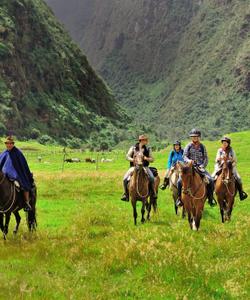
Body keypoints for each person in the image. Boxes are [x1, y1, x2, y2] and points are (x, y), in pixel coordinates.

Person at [176, 129, 217, 207]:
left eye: (196, 136)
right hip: (189, 167)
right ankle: (179, 199)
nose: (194, 138)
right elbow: (184, 156)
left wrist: (202, 165)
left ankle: (210, 198)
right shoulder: (188, 146)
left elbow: (206, 158)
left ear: (199, 137)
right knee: (179, 181)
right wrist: (189, 161)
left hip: (200, 167)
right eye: (193, 137)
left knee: (211, 180)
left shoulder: (202, 146)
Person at [0, 136, 34, 211]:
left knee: (23, 184)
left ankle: (27, 203)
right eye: (7, 143)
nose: (8, 145)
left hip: (16, 175)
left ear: (13, 144)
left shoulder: (18, 153)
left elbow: (23, 166)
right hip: (4, 174)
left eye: (10, 143)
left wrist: (21, 174)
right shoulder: (4, 153)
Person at [121, 134, 156, 201]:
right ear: (141, 140)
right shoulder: (133, 148)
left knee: (152, 178)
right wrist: (133, 160)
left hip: (144, 166)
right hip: (134, 167)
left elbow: (152, 159)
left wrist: (146, 158)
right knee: (125, 179)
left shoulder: (148, 149)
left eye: (146, 140)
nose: (146, 141)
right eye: (145, 140)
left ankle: (153, 192)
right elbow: (127, 156)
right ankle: (126, 194)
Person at [212, 136, 247, 201]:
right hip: (221, 166)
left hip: (230, 167)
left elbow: (235, 160)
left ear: (228, 143)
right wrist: (220, 159)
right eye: (223, 142)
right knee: (212, 177)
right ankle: (212, 194)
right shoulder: (219, 150)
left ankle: (241, 193)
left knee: (238, 178)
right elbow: (216, 159)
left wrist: (231, 162)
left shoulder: (231, 150)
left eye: (226, 142)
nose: (224, 144)